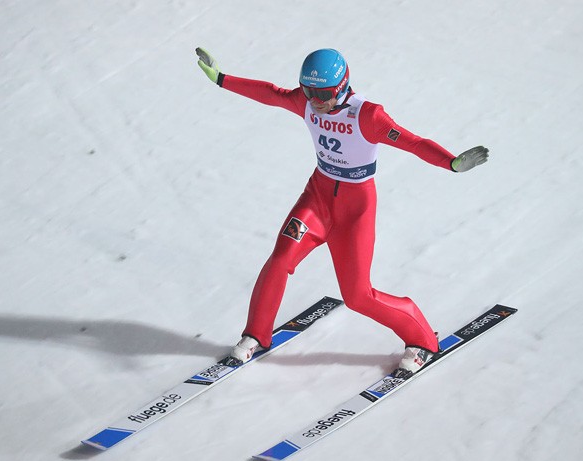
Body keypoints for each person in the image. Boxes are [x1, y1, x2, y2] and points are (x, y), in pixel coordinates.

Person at [195, 47, 489, 378]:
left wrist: (451, 162)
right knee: (279, 260)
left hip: (355, 210)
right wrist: (221, 79)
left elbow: (413, 142)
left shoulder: (368, 116)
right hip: (317, 200)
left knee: (358, 296)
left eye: (323, 93)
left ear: (342, 85)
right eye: (308, 91)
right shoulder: (306, 102)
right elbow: (271, 94)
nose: (315, 101)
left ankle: (421, 340)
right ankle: (255, 335)